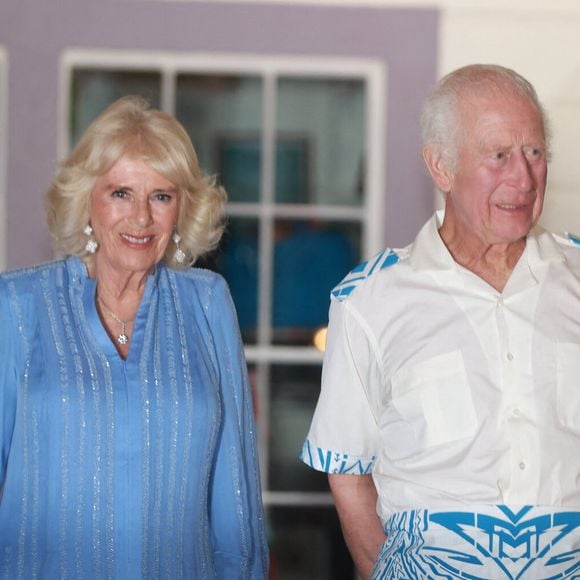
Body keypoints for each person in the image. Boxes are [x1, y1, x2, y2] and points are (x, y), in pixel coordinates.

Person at [301, 64, 580, 579]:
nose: (523, 177)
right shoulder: (370, 300)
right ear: (441, 167)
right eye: (499, 156)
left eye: (534, 152)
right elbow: (349, 473)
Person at [0, 95, 268, 579]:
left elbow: (235, 497)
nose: (142, 218)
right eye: (121, 193)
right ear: (87, 199)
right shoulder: (17, 308)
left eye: (161, 196)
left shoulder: (207, 305)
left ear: (182, 208)